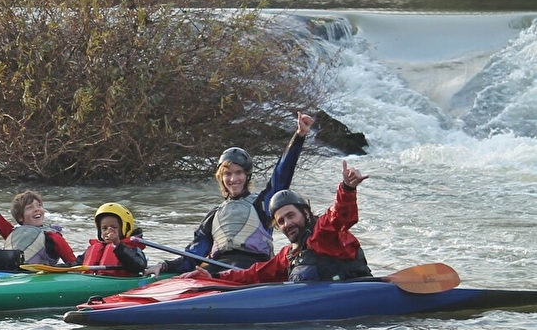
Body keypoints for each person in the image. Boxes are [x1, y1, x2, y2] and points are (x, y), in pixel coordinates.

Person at [156, 111, 315, 275]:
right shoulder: (214, 215)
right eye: (227, 174)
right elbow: (193, 255)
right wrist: (165, 266)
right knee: (189, 279)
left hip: (253, 269)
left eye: (238, 172)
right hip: (216, 268)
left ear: (247, 176)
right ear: (221, 177)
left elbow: (282, 174)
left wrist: (299, 136)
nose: (233, 179)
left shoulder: (262, 204)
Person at [213, 161, 371, 285]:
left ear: (306, 213)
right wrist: (215, 276)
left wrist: (347, 188)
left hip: (357, 298)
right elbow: (255, 274)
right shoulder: (289, 254)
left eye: (291, 215)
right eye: (281, 221)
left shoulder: (324, 232)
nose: (287, 224)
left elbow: (341, 215)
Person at [0, 151, 77, 267]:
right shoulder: (10, 232)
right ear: (20, 217)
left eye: (39, 206)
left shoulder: (53, 238)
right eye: (30, 208)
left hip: (38, 281)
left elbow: (74, 264)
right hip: (11, 277)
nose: (37, 209)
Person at [79, 202, 148, 276]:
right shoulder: (93, 248)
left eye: (114, 228)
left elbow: (139, 267)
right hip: (93, 281)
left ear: (125, 228)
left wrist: (117, 244)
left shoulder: (133, 249)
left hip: (120, 283)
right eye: (104, 228)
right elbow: (75, 265)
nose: (108, 232)